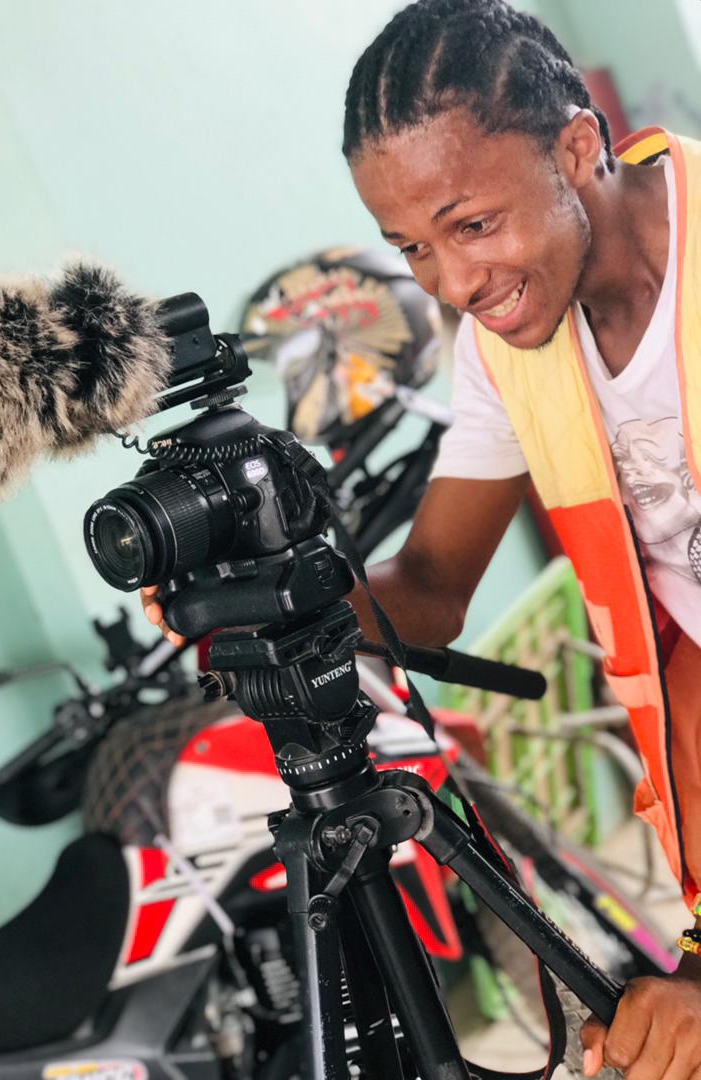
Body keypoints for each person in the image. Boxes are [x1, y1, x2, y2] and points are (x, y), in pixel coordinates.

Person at [145, 1, 701, 1074]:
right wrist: (272, 596)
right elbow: (436, 585)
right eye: (412, 247)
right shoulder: (508, 349)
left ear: (576, 150)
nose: (452, 284)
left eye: (473, 225)